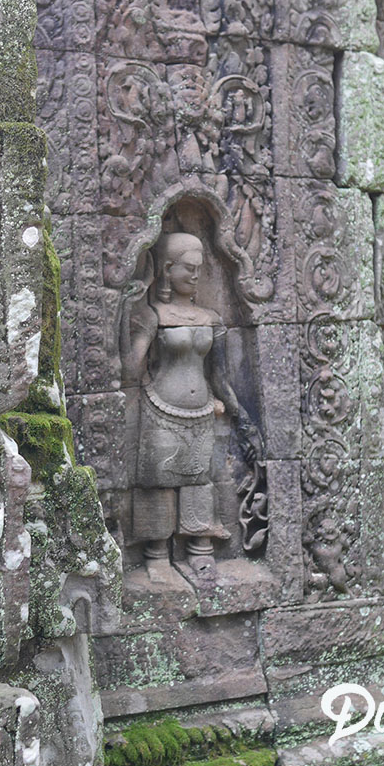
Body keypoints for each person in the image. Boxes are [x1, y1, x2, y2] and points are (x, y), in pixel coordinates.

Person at [120, 231, 259, 584]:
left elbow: (219, 376)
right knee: (158, 483)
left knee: (200, 481)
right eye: (188, 268)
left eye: (199, 269)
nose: (196, 276)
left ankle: (200, 549)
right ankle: (156, 554)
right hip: (159, 410)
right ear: (167, 270)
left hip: (201, 411)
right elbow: (131, 369)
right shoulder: (154, 315)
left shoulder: (210, 318)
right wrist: (126, 313)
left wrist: (240, 414)